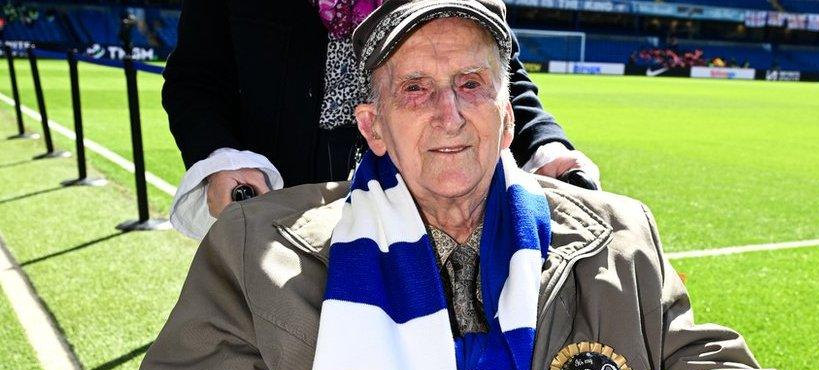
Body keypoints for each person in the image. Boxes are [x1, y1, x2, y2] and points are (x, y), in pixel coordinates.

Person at [97, 0, 819, 370]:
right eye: (415, 90)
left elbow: (716, 366)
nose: (449, 115)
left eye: (471, 84)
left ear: (508, 113)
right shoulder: (263, 252)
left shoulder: (615, 236)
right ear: (373, 126)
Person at [162, 0, 600, 240]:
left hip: (415, 192)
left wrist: (546, 146)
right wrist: (220, 158)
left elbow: (494, 67)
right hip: (280, 195)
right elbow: (196, 79)